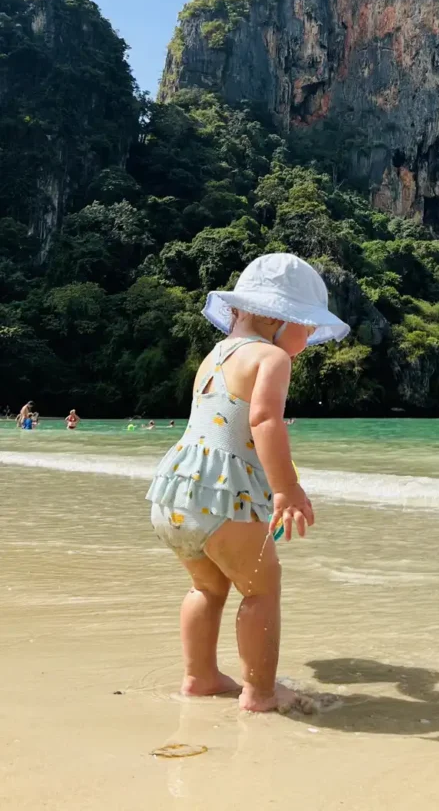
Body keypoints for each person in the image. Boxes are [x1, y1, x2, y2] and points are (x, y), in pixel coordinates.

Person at [145, 253, 349, 713]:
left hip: (175, 492)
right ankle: (260, 693)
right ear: (276, 317)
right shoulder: (272, 357)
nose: (311, 336)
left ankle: (199, 678)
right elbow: (264, 420)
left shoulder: (214, 357)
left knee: (207, 588)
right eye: (306, 325)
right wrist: (286, 489)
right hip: (223, 497)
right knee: (261, 589)